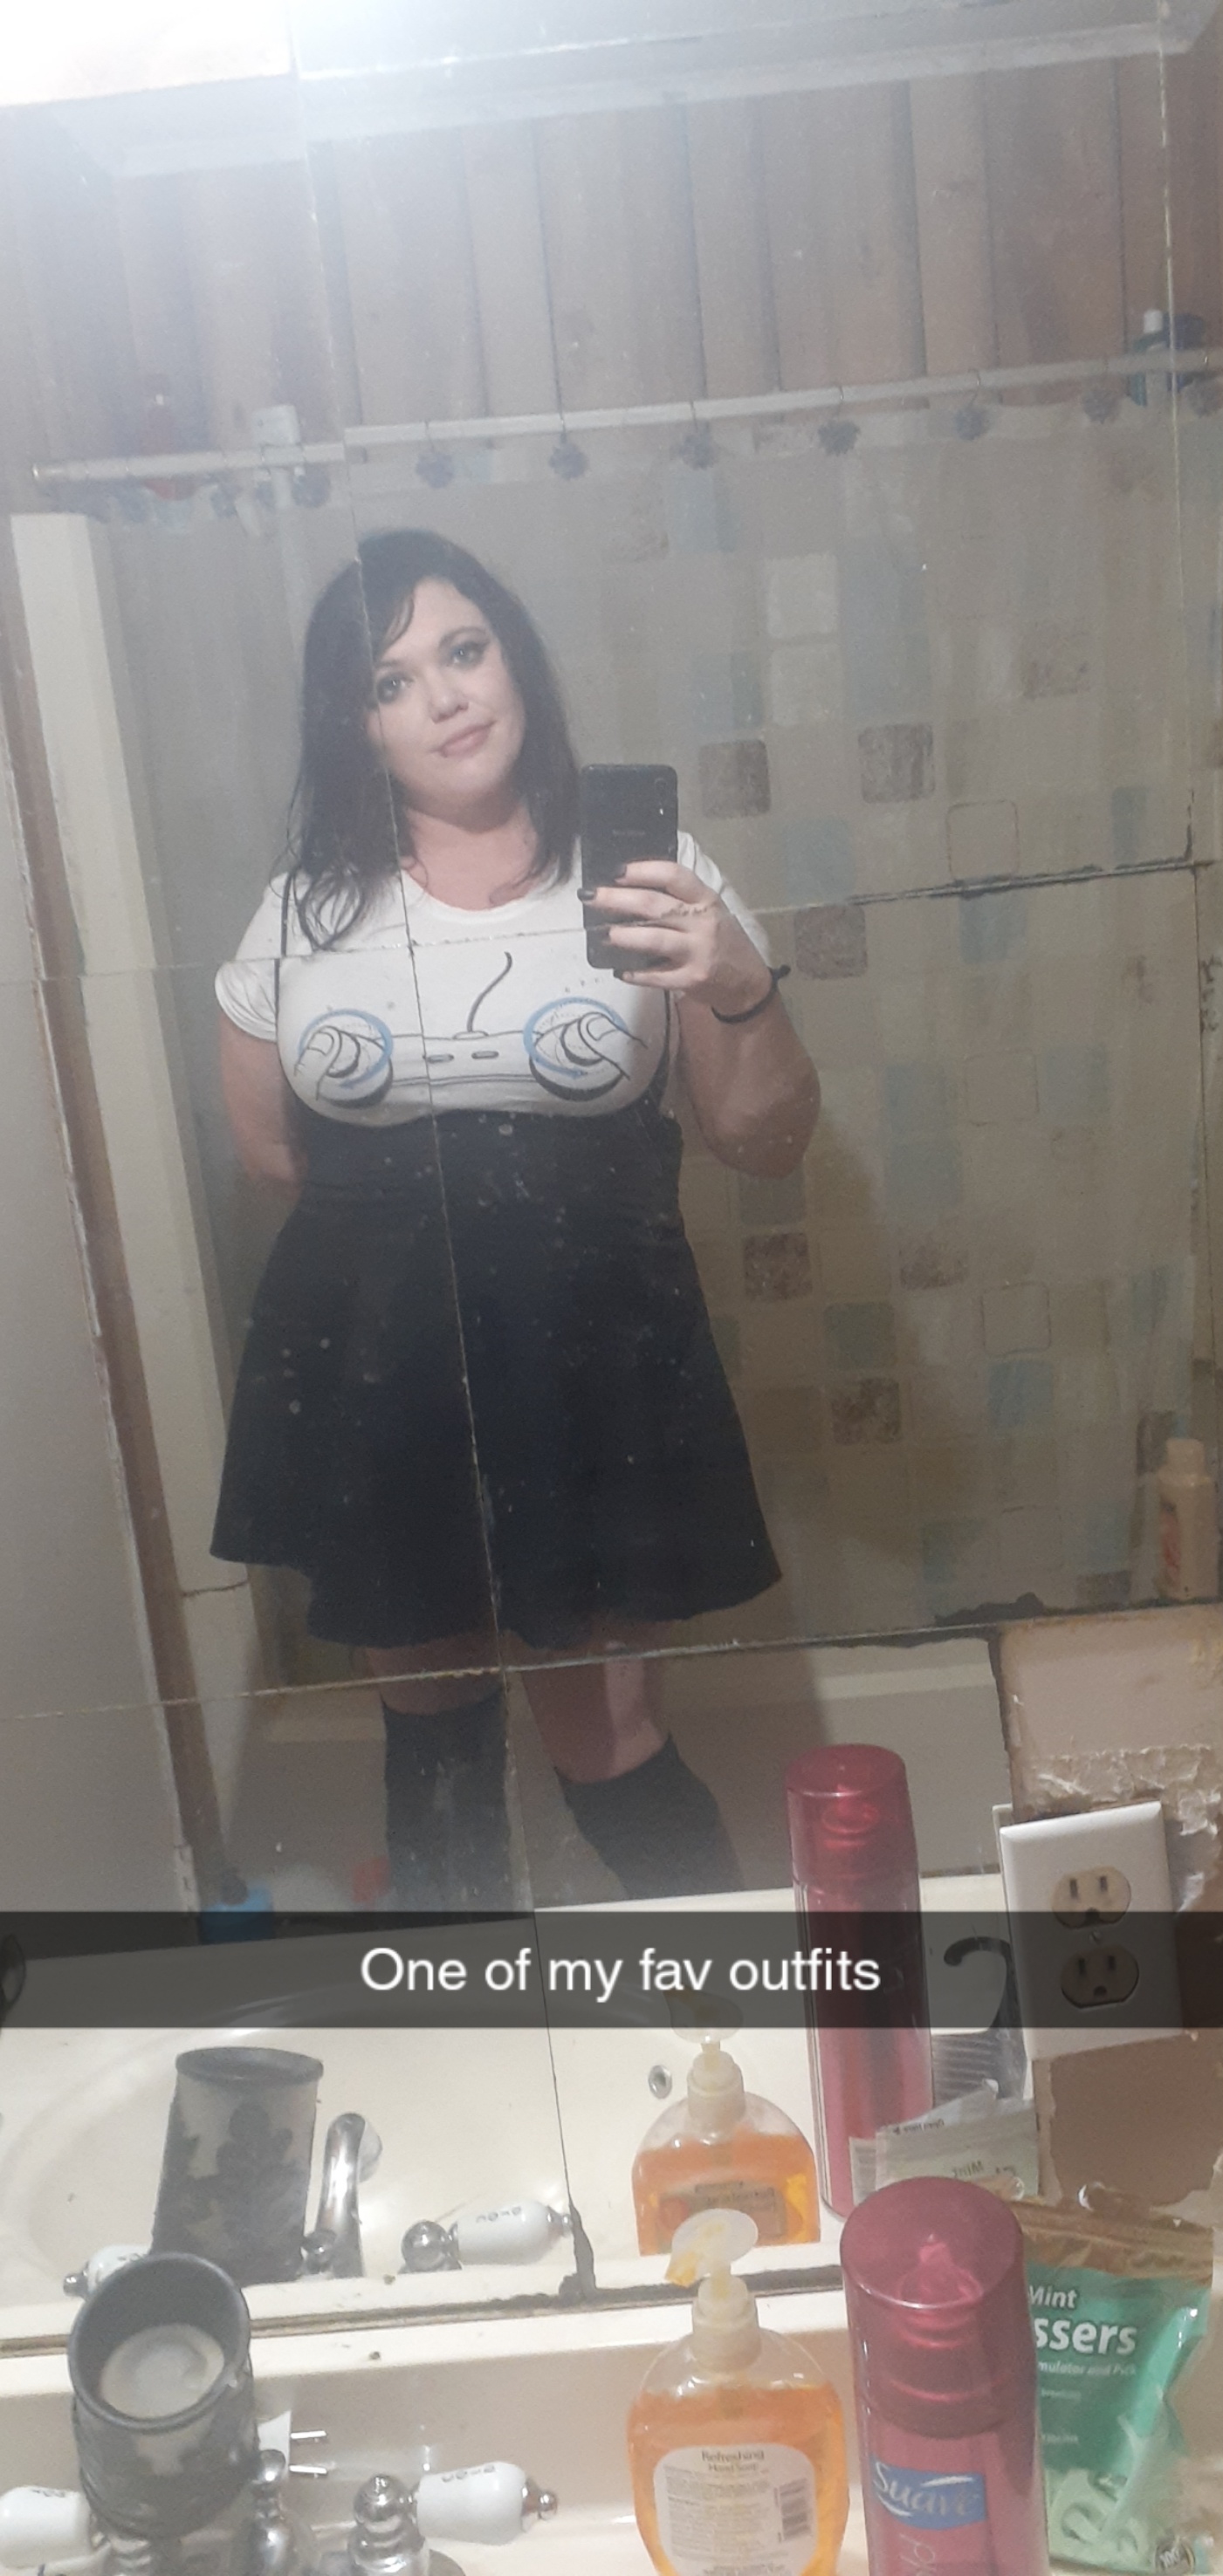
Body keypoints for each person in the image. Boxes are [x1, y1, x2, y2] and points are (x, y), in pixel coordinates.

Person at [211, 529, 820, 1907]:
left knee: (609, 1744)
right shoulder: (305, 906)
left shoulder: (650, 872)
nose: (444, 697)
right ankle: (465, 2016)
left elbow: (766, 1143)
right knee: (429, 1737)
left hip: (589, 1362)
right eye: (391, 681)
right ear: (356, 726)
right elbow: (272, 1153)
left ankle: (723, 2003)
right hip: (386, 1371)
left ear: (515, 659)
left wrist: (736, 983)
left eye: (464, 650)